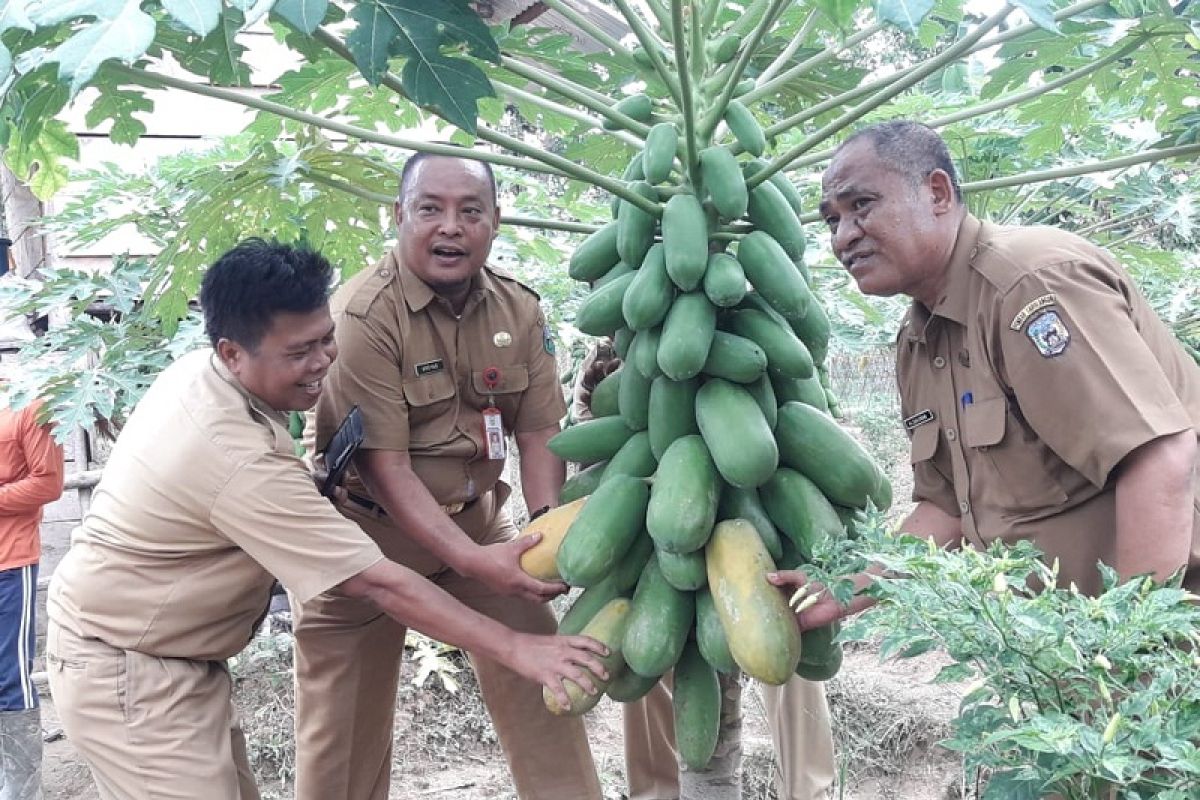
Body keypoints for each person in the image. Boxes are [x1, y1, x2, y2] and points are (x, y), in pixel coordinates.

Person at [44, 239, 608, 800]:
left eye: (325, 340)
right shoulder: (232, 453)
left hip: (174, 661)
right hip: (128, 666)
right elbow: (377, 581)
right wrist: (518, 648)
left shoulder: (204, 375)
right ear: (233, 351)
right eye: (298, 353)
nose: (321, 363)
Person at [774, 119, 1200, 628]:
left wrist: (1131, 642)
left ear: (936, 192)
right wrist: (841, 589)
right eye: (831, 220)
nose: (844, 236)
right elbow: (948, 510)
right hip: (1062, 652)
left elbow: (1161, 458)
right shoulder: (919, 340)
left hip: (1160, 650)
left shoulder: (1029, 285)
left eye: (861, 205)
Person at [292, 152, 604, 800]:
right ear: (398, 215)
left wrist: (546, 529)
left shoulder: (519, 310)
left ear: (495, 220)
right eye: (430, 208)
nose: (451, 228)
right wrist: (472, 559)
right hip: (363, 541)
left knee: (547, 680)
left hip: (480, 523)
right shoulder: (362, 315)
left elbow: (540, 429)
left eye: (470, 211)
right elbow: (385, 466)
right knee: (341, 746)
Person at [567, 342, 836, 800]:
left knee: (784, 644)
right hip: (662, 520)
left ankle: (809, 789)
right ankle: (656, 790)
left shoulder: (769, 357)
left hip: (755, 501)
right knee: (647, 645)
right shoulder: (609, 356)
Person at [0, 374, 64, 800]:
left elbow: (49, 482)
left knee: (10, 677)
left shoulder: (29, 406)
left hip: (10, 561)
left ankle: (23, 792)